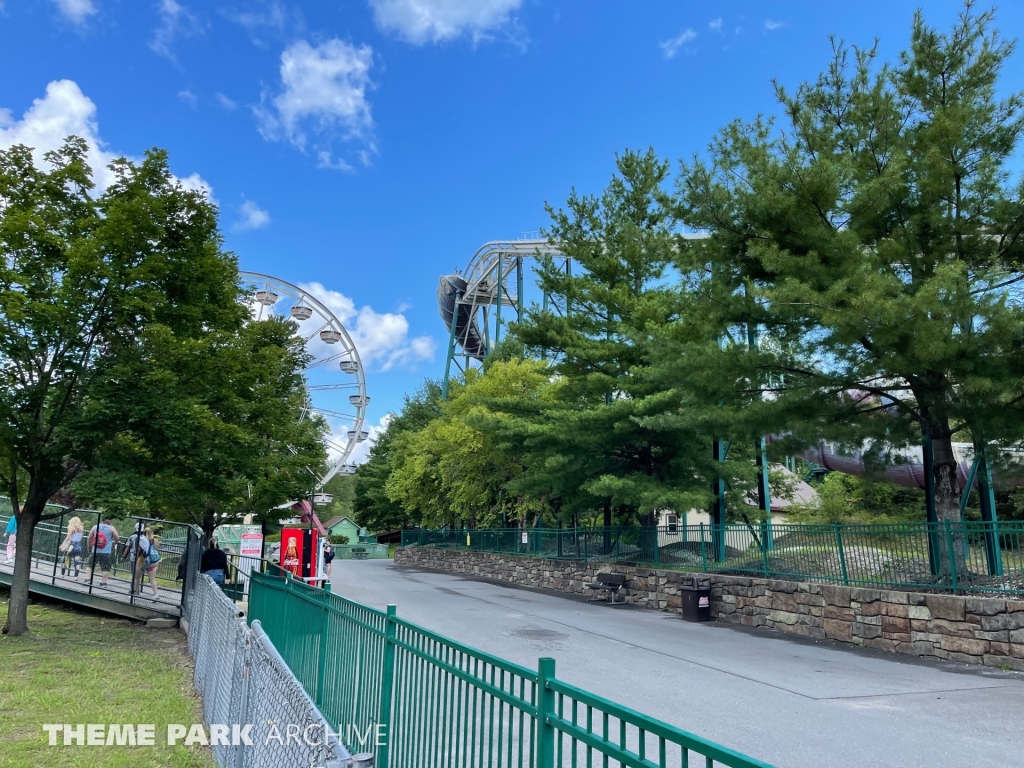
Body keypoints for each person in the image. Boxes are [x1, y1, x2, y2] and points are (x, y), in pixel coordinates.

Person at [88, 517, 120, 587]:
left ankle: (88, 579)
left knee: (90, 565)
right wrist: (115, 543)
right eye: (110, 519)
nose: (111, 520)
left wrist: (89, 546)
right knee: (106, 567)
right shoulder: (111, 528)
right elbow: (117, 538)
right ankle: (103, 582)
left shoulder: (95, 527)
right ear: (107, 520)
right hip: (106, 551)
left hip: (95, 550)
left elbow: (90, 537)